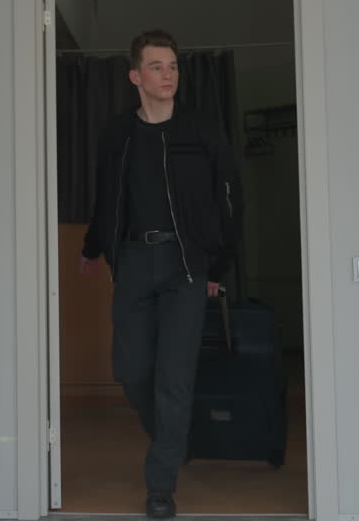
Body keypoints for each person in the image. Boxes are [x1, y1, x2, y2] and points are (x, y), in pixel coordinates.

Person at [79, 30, 243, 519]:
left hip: (185, 268)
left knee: (175, 378)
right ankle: (171, 438)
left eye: (172, 66)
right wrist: (92, 248)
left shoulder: (201, 130)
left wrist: (217, 265)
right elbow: (105, 198)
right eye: (157, 66)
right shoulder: (118, 134)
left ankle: (160, 486)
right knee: (132, 372)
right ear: (136, 76)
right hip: (133, 262)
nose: (168, 74)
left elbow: (230, 198)